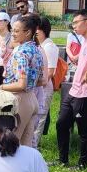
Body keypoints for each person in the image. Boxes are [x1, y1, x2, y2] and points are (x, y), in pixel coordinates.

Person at [55, 9, 87, 170]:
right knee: (62, 123)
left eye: (76, 22)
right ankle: (62, 160)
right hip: (74, 91)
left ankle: (82, 164)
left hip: (86, 94)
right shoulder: (85, 41)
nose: (73, 26)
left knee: (84, 130)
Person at [0, 14, 43, 147]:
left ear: (28, 32)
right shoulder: (36, 50)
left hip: (19, 100)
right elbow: (40, 80)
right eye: (12, 30)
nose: (13, 33)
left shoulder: (21, 53)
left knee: (10, 143)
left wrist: (2, 87)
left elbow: (21, 84)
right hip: (32, 99)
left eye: (16, 31)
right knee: (26, 145)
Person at [32, 16, 59, 147]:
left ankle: (34, 145)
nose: (35, 32)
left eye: (37, 30)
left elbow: (51, 72)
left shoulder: (49, 47)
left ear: (44, 30)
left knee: (40, 117)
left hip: (44, 88)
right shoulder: (40, 45)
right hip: (37, 87)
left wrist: (38, 84)